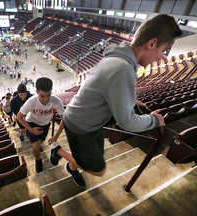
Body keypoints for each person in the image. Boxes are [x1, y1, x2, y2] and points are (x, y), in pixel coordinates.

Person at [49, 14, 182, 187]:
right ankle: (57, 150)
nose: (162, 58)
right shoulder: (123, 68)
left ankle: (73, 167)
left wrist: (131, 101)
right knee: (98, 170)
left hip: (89, 121)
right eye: (164, 51)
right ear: (151, 44)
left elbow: (110, 90)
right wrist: (154, 120)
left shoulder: (118, 59)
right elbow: (127, 122)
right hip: (80, 125)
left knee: (91, 157)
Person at [16, 77, 65, 173]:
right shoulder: (31, 101)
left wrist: (56, 136)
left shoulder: (56, 101)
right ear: (37, 91)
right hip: (32, 122)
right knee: (35, 147)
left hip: (45, 124)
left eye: (48, 95)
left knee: (41, 141)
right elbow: (19, 116)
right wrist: (30, 129)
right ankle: (38, 160)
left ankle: (38, 145)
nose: (46, 99)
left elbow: (65, 120)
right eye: (42, 96)